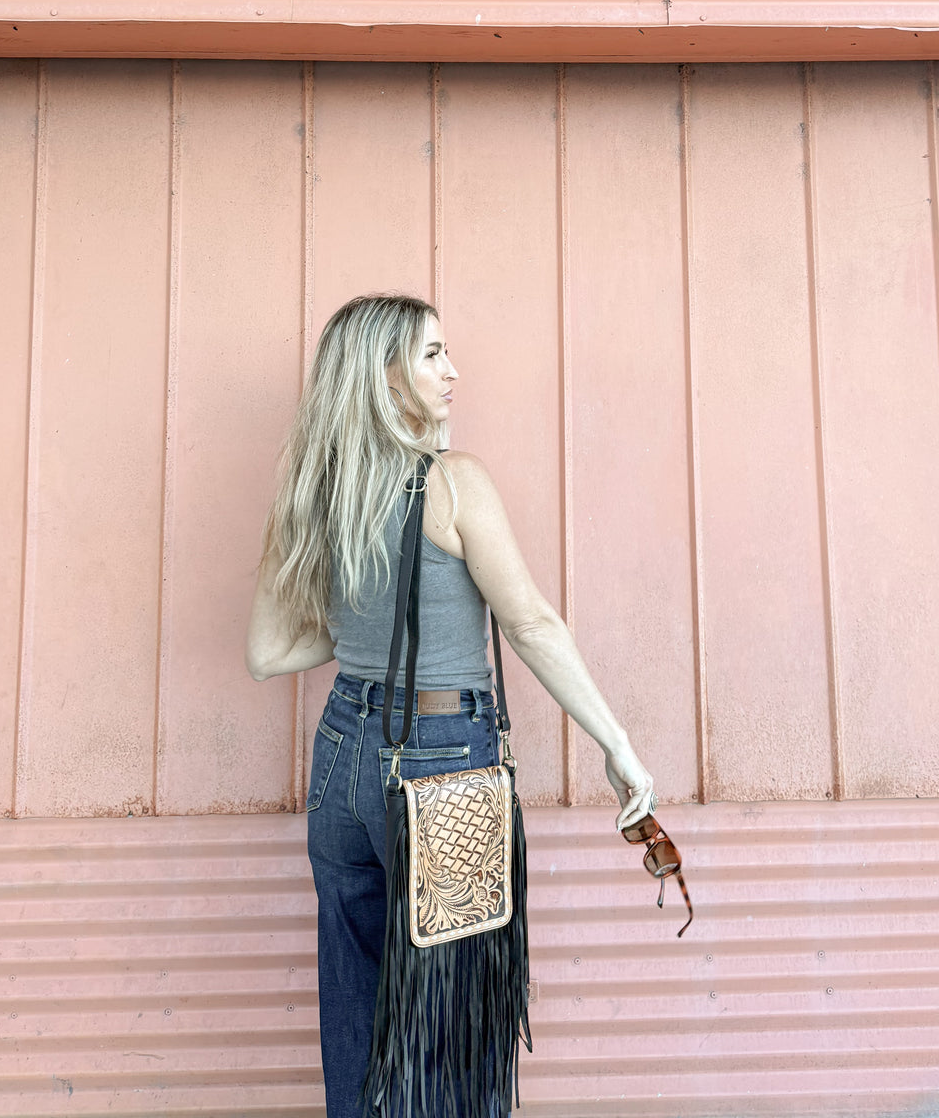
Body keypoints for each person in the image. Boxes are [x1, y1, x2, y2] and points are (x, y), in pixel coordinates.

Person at [245, 293, 656, 1118]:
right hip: (444, 767)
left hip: (340, 764)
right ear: (385, 377)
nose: (452, 370)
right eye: (432, 355)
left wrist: (375, 637)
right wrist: (617, 745)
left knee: (355, 1009)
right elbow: (532, 623)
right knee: (453, 1021)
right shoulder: (455, 482)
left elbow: (268, 653)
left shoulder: (318, 492)